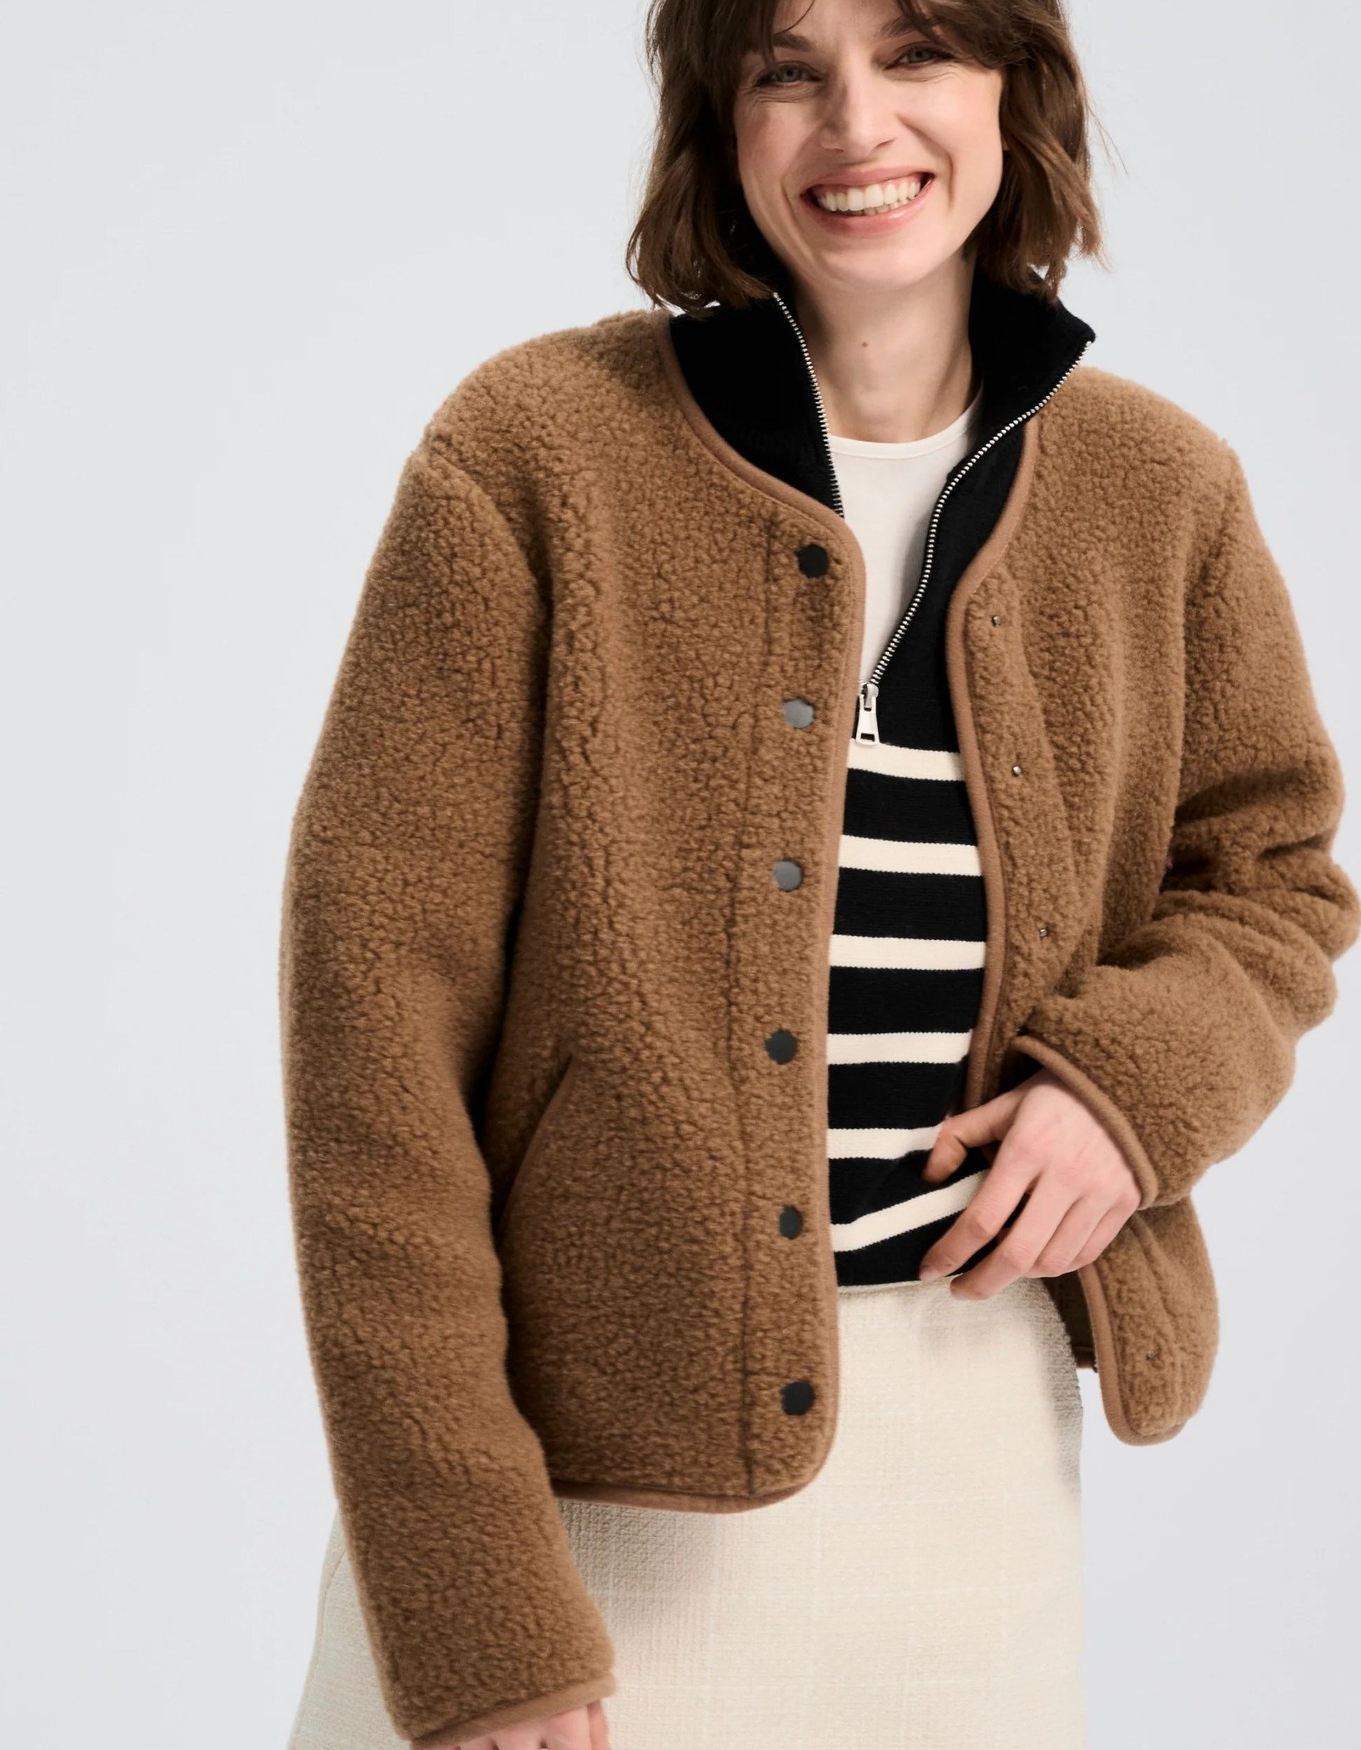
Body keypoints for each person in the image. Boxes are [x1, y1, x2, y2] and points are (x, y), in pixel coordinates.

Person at [279, 2, 1359, 1747]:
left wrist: (1133, 1089)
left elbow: (1276, 874)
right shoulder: (535, 453)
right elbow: (372, 1042)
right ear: (723, 122)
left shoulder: (1164, 494)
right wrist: (472, 1597)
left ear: (1014, 89)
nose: (858, 123)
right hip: (570, 1512)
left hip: (971, 1502)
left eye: (917, 51)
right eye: (789, 69)